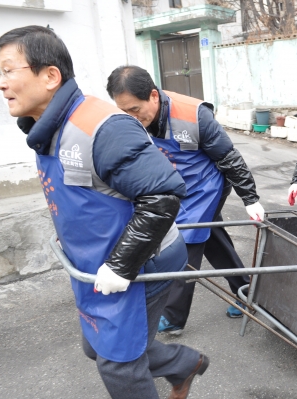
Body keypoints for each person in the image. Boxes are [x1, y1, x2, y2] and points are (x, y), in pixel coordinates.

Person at [0, 26, 207, 399]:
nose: (1, 83)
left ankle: (174, 367)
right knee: (95, 346)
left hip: (145, 260)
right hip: (95, 261)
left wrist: (122, 265)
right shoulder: (46, 129)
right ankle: (183, 364)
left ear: (49, 76)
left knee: (118, 363)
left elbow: (163, 195)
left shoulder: (102, 128)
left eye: (9, 70)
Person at [106, 66, 264, 335]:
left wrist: (250, 198)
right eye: (123, 111)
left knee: (185, 244)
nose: (130, 117)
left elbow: (228, 157)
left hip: (205, 188)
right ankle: (247, 293)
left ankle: (174, 317)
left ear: (153, 96)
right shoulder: (132, 121)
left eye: (134, 109)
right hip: (173, 186)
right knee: (214, 241)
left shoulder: (193, 115)